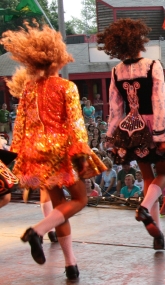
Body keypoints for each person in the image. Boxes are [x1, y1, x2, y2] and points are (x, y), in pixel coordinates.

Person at [1, 23, 107, 280]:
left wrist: (17, 157)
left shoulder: (28, 89)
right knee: (80, 200)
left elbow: (21, 126)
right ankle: (36, 231)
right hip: (61, 153)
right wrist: (81, 153)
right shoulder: (66, 87)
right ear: (56, 57)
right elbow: (76, 125)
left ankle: (70, 264)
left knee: (60, 208)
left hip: (36, 154)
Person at [98, 19, 165, 250]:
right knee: (163, 173)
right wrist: (162, 134)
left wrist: (111, 138)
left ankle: (156, 234)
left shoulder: (115, 71)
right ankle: (144, 209)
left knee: (147, 177)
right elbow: (160, 101)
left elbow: (114, 110)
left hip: (130, 128)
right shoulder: (153, 65)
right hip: (153, 124)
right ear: (139, 40)